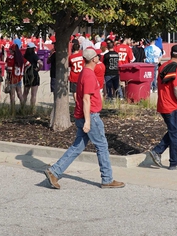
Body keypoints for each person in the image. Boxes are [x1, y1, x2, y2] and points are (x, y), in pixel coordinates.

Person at [44, 46, 124, 190]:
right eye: (97, 57)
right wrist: (88, 121)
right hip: (90, 116)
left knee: (78, 146)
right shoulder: (88, 75)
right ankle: (107, 179)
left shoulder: (83, 72)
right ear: (93, 59)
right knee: (102, 146)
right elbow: (86, 99)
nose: (98, 58)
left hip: (82, 114)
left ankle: (54, 171)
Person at [149, 45, 177, 170]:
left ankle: (158, 152)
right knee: (175, 134)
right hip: (172, 106)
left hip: (162, 104)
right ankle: (174, 162)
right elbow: (176, 87)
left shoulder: (163, 67)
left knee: (173, 131)